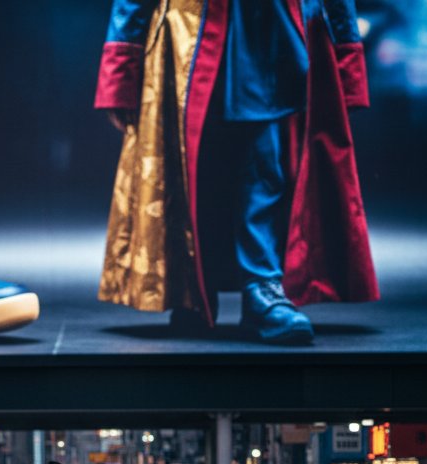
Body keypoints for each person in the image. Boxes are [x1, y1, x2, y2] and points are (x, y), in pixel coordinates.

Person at [94, 0, 376, 345]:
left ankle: (262, 286)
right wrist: (122, 64)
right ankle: (195, 290)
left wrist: (346, 58)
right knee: (197, 160)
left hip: (273, 30)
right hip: (189, 33)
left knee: (265, 161)